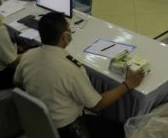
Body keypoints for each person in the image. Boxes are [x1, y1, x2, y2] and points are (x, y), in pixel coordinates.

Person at [14, 12, 144, 138]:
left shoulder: (27, 56)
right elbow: (98, 104)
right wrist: (127, 85)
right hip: (68, 130)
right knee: (122, 130)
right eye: (69, 29)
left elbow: (18, 82)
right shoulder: (71, 68)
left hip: (38, 122)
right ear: (65, 36)